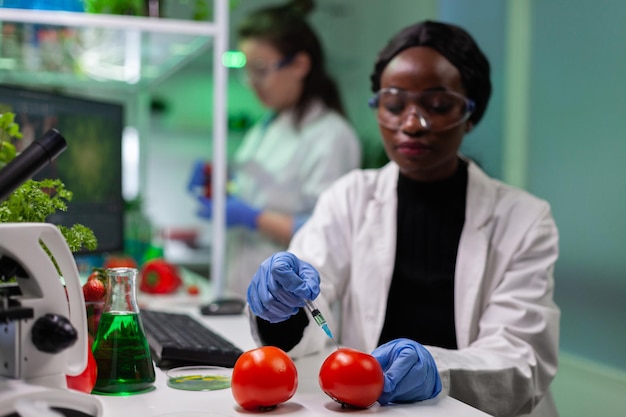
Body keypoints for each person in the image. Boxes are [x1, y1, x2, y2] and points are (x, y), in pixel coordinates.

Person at [246, 20, 560, 417]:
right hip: (374, 408)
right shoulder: (350, 197)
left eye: (438, 105)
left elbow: (521, 359)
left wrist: (438, 371)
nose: (411, 124)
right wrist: (281, 310)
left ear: (470, 114)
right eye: (395, 105)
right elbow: (311, 300)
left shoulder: (525, 219)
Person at [188, 0, 362, 297]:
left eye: (260, 69)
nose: (252, 83)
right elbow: (257, 187)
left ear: (299, 65)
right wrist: (219, 181)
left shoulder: (331, 136)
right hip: (242, 286)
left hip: (291, 300)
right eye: (248, 70)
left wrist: (252, 217)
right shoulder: (265, 127)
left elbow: (329, 234)